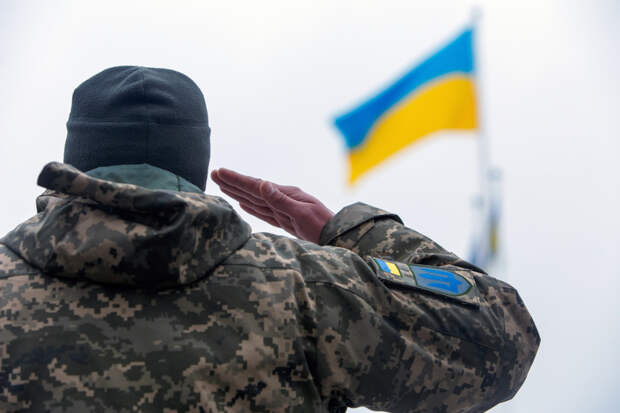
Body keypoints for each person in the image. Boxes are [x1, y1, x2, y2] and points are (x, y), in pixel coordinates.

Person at [0, 66, 539, 413]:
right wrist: (349, 232)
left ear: (77, 156)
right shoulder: (305, 287)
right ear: (195, 161)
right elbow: (503, 334)